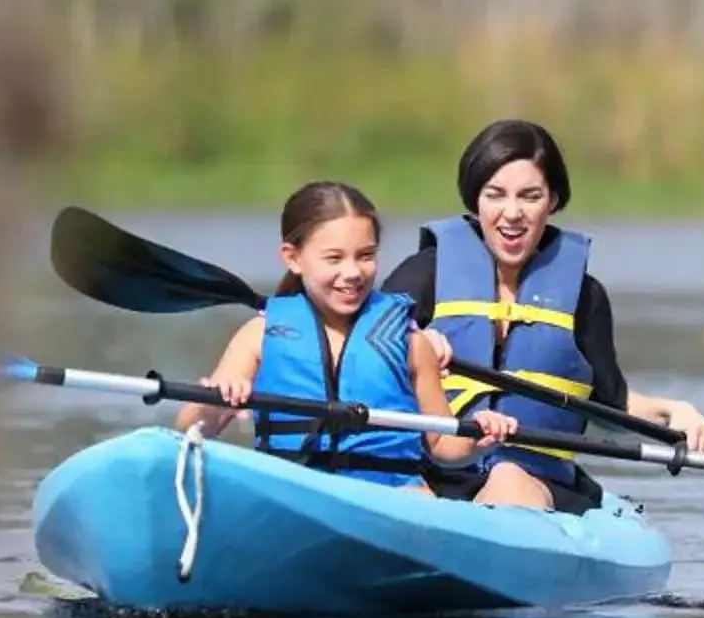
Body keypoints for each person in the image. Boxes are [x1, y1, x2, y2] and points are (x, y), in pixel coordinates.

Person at [380, 119, 704, 512]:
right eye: (496, 195)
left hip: (533, 477)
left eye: (530, 196)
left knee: (508, 477)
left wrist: (675, 411)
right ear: (476, 200)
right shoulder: (425, 273)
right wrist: (414, 338)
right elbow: (366, 345)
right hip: (436, 471)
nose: (512, 213)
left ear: (553, 201)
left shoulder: (584, 296)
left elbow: (610, 405)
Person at [183, 179, 516, 485]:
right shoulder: (258, 335)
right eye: (334, 258)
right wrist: (213, 404)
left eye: (366, 256)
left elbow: (442, 444)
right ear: (292, 258)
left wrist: (477, 439)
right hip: (290, 490)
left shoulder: (411, 342)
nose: (353, 272)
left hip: (390, 495)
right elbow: (189, 428)